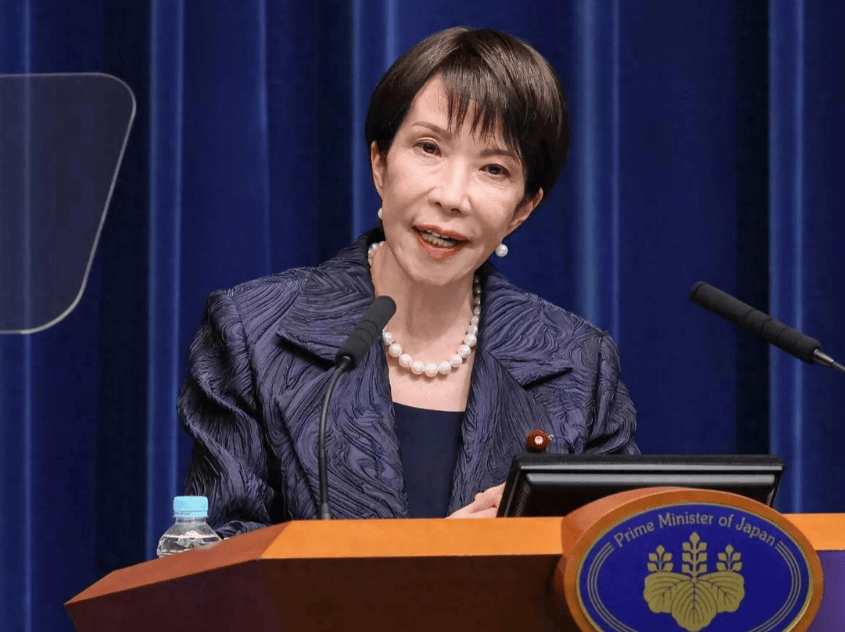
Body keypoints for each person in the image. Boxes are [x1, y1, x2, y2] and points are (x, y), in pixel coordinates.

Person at [178, 27, 639, 538]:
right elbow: (215, 557)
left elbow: (619, 557)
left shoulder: (578, 363)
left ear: (522, 209)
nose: (452, 196)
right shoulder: (255, 334)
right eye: (429, 147)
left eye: (493, 169)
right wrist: (435, 556)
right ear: (380, 163)